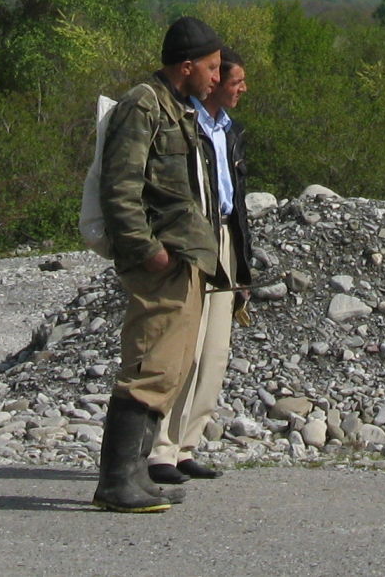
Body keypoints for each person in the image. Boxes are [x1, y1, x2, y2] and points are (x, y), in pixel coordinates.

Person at [91, 15, 225, 513]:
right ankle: (115, 482)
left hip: (183, 257)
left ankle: (136, 474)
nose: (217, 77)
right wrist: (148, 251)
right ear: (186, 66)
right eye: (211, 67)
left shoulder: (178, 108)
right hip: (159, 262)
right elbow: (119, 188)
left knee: (169, 366)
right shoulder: (143, 105)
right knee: (148, 364)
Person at [149, 47, 250, 485]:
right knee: (183, 346)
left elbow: (236, 200)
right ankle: (160, 449)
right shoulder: (183, 123)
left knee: (214, 350)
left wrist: (242, 266)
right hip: (194, 239)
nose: (242, 89)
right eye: (235, 81)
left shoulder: (230, 131)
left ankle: (186, 444)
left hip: (225, 237)